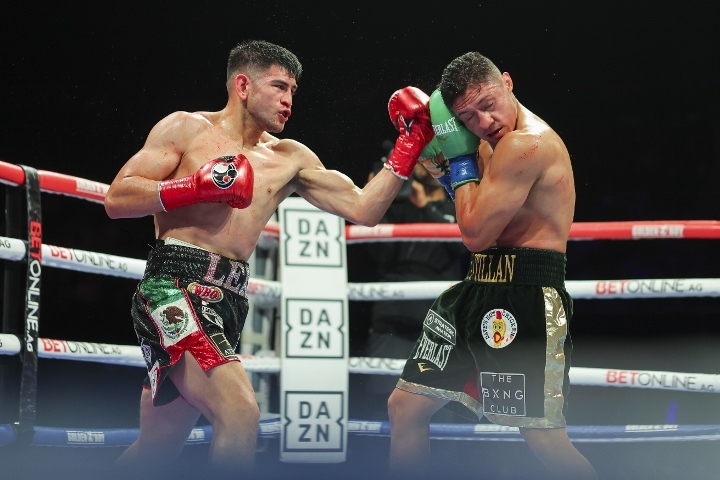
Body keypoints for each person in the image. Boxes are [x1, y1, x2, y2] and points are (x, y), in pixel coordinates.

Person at [103, 39, 434, 473]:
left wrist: (409, 145)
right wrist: (194, 187)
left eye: (293, 91)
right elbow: (118, 198)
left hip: (230, 301)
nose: (288, 100)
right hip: (174, 288)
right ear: (243, 86)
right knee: (240, 413)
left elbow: (363, 209)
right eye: (279, 87)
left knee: (157, 448)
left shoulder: (289, 158)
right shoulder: (186, 128)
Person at [387, 52, 599, 479]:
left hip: (525, 294)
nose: (484, 122)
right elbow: (469, 201)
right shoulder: (488, 142)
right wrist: (435, 162)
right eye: (467, 117)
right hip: (477, 287)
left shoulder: (526, 144)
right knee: (405, 407)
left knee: (542, 436)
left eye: (488, 105)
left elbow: (474, 233)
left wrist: (457, 159)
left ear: (507, 82)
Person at [359, 158, 467, 420]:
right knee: (384, 403)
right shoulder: (397, 206)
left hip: (439, 323)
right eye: (425, 157)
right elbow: (378, 254)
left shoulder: (459, 205)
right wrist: (374, 198)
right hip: (393, 319)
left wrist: (425, 207)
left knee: (439, 408)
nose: (431, 163)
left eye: (438, 157)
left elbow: (465, 247)